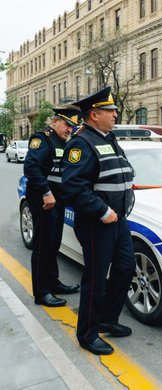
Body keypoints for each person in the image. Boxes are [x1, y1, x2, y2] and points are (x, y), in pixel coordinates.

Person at [61, 87, 136, 356]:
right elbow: (73, 187)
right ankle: (87, 334)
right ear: (94, 114)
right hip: (97, 223)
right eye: (110, 110)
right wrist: (103, 211)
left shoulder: (108, 137)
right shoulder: (81, 142)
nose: (116, 114)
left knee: (127, 267)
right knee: (96, 278)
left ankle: (106, 319)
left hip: (119, 221)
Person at [24, 108, 82, 307]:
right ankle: (41, 293)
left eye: (72, 126)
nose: (69, 129)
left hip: (56, 200)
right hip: (43, 199)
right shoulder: (41, 138)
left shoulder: (60, 141)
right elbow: (31, 166)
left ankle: (53, 283)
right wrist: (46, 192)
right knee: (42, 245)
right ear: (55, 121)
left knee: (54, 243)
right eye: (67, 124)